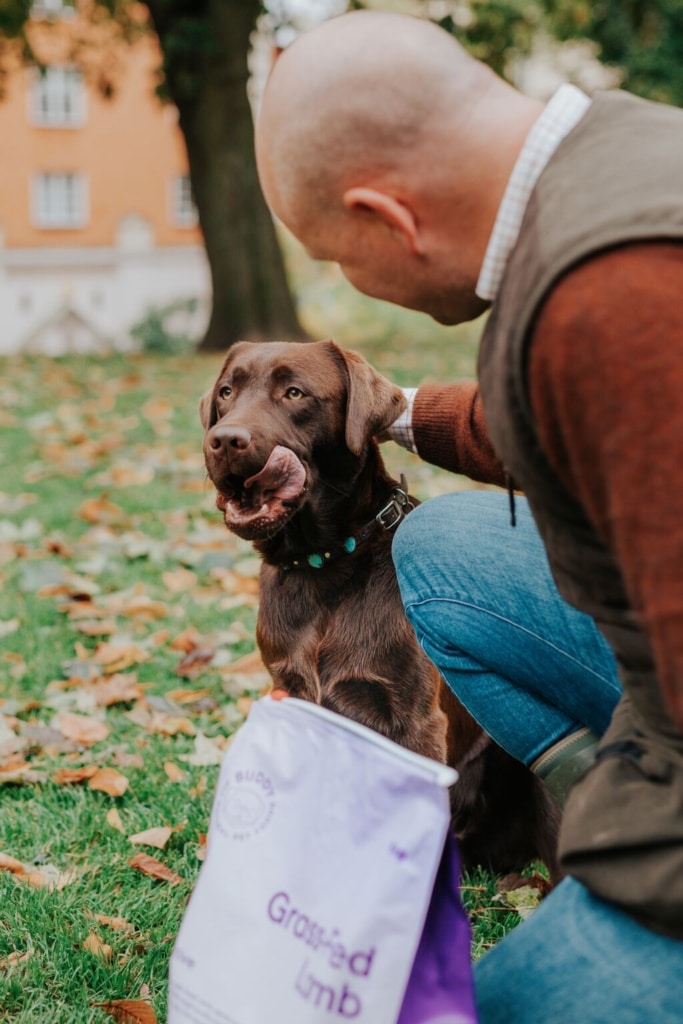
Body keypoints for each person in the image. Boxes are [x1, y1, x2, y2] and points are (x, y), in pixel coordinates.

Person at [254, 10, 683, 1023]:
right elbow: (572, 415)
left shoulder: (610, 294)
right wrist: (398, 414)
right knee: (436, 550)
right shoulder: (621, 155)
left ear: (389, 217)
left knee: (483, 1008)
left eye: (340, 258)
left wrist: (619, 838)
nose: (353, 285)